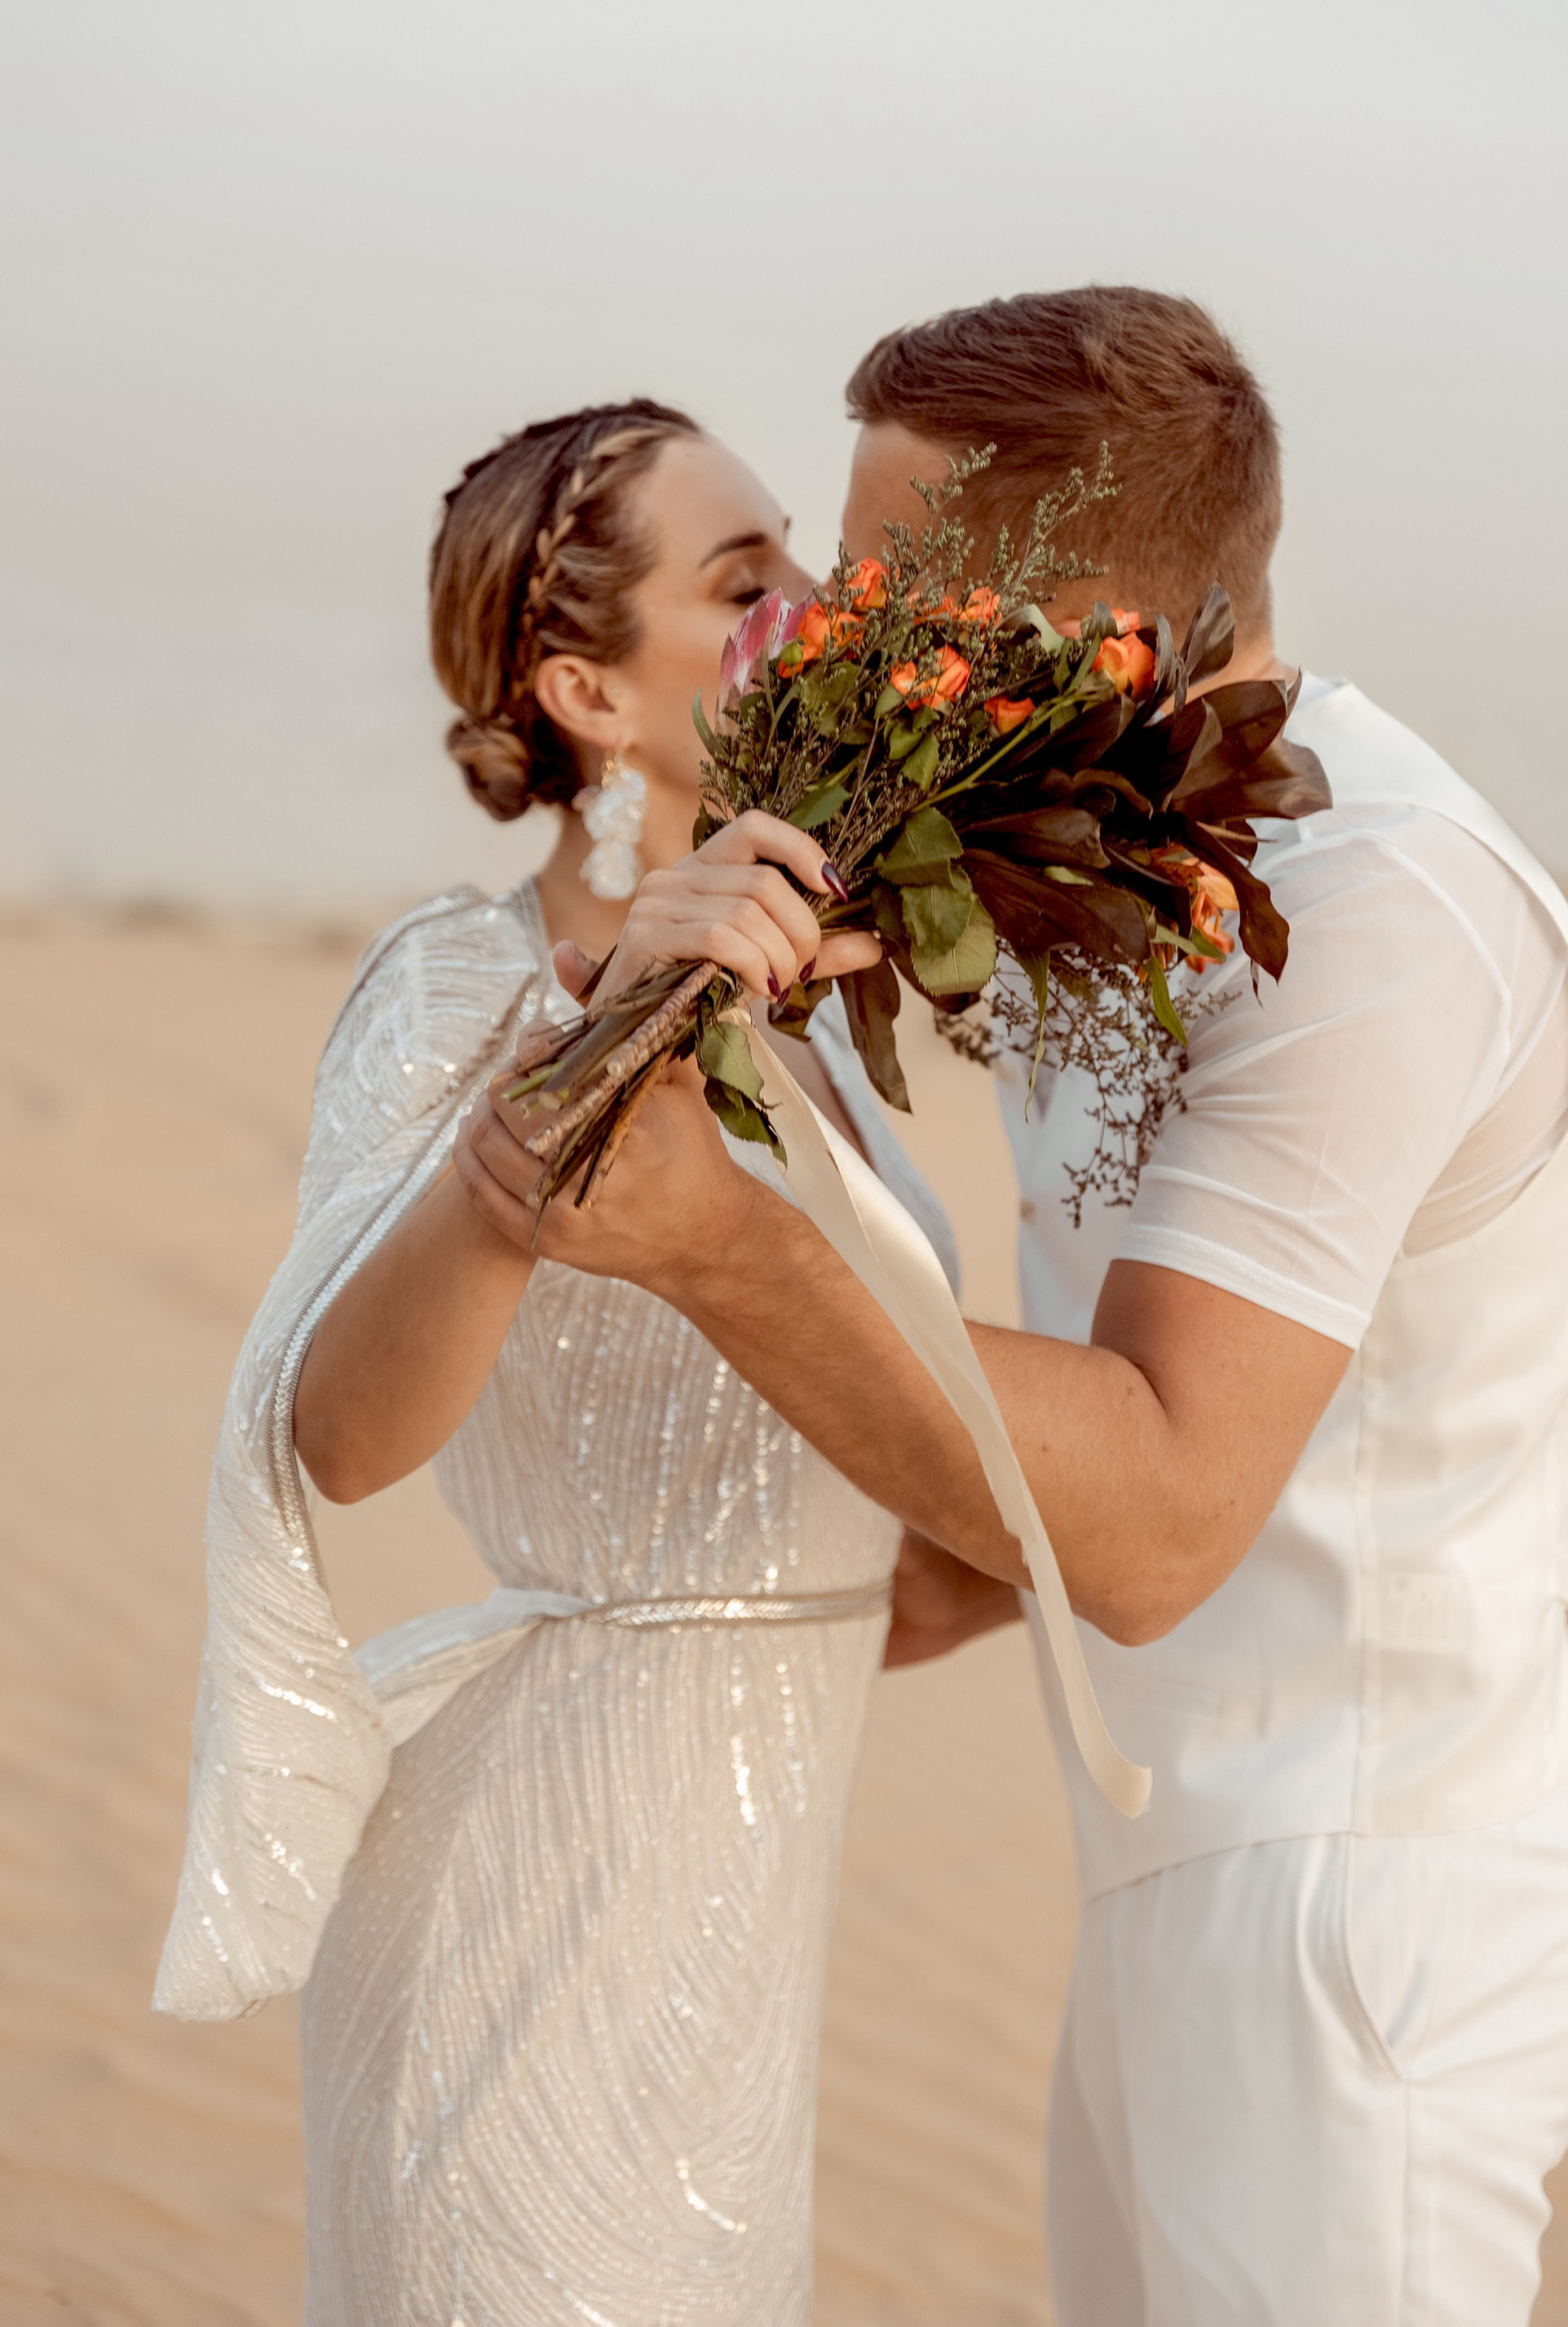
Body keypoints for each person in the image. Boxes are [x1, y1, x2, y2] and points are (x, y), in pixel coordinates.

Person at [462, 291, 1568, 2326]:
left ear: (1108, 622)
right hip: (1176, 1868)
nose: (834, 633)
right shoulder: (1104, 849)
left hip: (1355, 1921)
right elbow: (1050, 1465)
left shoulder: (1374, 916)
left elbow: (1158, 1510)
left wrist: (720, 1240)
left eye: (896, 588)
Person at [153, 398, 960, 2326]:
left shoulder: (829, 1007)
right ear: (585, 688)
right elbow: (336, 1437)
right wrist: (583, 1065)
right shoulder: (469, 982)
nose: (809, 609)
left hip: (736, 1950)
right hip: (533, 1917)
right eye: (739, 579)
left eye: (803, 563)